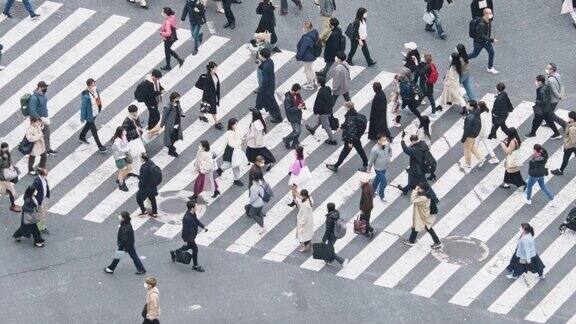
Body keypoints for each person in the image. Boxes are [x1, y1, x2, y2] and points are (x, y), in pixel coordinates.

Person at [326, 101, 368, 173]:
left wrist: (350, 142)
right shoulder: (353, 115)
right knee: (360, 151)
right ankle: (366, 165)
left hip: (351, 139)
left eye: (345, 107)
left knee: (344, 153)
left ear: (348, 108)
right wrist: (341, 127)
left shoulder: (350, 117)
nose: (344, 108)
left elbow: (352, 130)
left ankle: (335, 166)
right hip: (356, 138)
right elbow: (348, 124)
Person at [170, 200, 207, 272]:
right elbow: (185, 230)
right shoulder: (186, 218)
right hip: (189, 238)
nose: (197, 207)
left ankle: (175, 252)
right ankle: (195, 266)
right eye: (196, 206)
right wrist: (187, 240)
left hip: (192, 236)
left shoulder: (193, 213)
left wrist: (203, 227)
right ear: (192, 208)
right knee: (195, 250)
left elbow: (196, 221)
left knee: (188, 247)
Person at [403, 182, 442, 249]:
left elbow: (413, 200)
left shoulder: (424, 198)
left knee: (426, 227)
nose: (419, 189)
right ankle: (411, 240)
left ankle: (437, 242)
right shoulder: (426, 194)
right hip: (423, 214)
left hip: (422, 215)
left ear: (423, 189)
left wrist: (415, 190)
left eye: (420, 188)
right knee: (419, 226)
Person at [525, 75, 561, 139]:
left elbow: (543, 101)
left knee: (535, 122)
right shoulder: (546, 86)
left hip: (541, 110)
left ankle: (532, 133)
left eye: (537, 81)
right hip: (547, 109)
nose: (535, 82)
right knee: (550, 121)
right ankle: (557, 133)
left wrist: (537, 102)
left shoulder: (541, 90)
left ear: (540, 82)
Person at [306, 76, 336, 145]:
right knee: (320, 120)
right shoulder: (328, 88)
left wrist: (315, 111)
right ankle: (313, 129)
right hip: (328, 109)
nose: (316, 82)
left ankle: (332, 140)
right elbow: (330, 98)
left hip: (323, 112)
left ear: (319, 83)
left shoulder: (320, 92)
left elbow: (318, 103)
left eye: (317, 81)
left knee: (326, 126)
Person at [254, 48, 283, 123]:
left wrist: (262, 88)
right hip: (269, 85)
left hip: (267, 87)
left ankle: (278, 117)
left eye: (260, 54)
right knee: (260, 97)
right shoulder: (269, 61)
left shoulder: (266, 66)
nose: (258, 55)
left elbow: (266, 80)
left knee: (271, 103)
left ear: (262, 56)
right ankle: (257, 108)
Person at [79, 78, 107, 153]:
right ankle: (100, 147)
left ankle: (81, 136)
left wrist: (99, 108)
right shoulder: (86, 96)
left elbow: (98, 100)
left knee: (88, 125)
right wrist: (82, 117)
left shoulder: (96, 91)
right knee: (94, 130)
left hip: (95, 113)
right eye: (93, 85)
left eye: (94, 84)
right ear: (89, 86)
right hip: (89, 116)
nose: (94, 86)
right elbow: (83, 107)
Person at [467, 8, 498, 74]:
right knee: (474, 54)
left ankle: (490, 67)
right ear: (485, 14)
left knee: (491, 52)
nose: (491, 15)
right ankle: (461, 57)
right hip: (479, 42)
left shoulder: (488, 20)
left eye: (491, 13)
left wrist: (489, 39)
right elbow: (481, 36)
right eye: (490, 13)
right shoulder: (481, 24)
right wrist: (492, 40)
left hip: (486, 41)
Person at [217, 118, 247, 186]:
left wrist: (240, 139)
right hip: (231, 152)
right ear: (232, 125)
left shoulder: (234, 131)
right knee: (228, 165)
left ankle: (236, 179)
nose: (237, 125)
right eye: (236, 124)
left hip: (235, 151)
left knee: (235, 166)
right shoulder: (230, 134)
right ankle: (218, 172)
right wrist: (240, 141)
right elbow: (232, 144)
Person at [29, 81, 56, 156]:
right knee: (34, 135)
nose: (46, 88)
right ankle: (25, 146)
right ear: (40, 87)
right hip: (37, 120)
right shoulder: (34, 98)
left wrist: (46, 115)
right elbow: (32, 110)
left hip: (44, 118)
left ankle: (48, 149)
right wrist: (40, 119)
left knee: (47, 133)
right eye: (44, 87)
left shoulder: (43, 94)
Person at [195, 62, 222, 129]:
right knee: (213, 110)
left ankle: (201, 116)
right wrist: (208, 95)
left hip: (214, 94)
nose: (216, 69)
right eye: (215, 68)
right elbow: (203, 88)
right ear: (211, 69)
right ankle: (216, 123)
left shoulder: (215, 75)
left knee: (204, 107)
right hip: (209, 97)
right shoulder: (207, 78)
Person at [460, 101, 486, 170]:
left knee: (466, 149)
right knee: (471, 147)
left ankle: (468, 165)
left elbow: (467, 129)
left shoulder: (470, 116)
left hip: (470, 135)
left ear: (471, 107)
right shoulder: (476, 112)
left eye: (468, 104)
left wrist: (463, 139)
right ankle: (481, 158)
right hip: (474, 134)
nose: (466, 105)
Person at [122, 105, 146, 176]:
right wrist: (136, 131)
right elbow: (125, 133)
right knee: (132, 156)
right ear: (131, 112)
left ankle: (135, 169)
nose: (137, 113)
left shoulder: (135, 117)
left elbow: (138, 125)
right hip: (131, 141)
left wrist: (140, 129)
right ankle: (130, 171)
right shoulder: (127, 121)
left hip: (137, 139)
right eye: (135, 112)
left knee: (138, 154)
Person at [296, 21, 319, 91]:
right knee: (310, 68)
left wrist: (298, 57)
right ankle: (314, 79)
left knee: (307, 71)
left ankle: (310, 85)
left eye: (304, 27)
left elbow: (302, 49)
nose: (303, 29)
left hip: (308, 56)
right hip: (313, 54)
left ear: (307, 28)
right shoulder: (315, 32)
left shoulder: (306, 38)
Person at [160, 92, 185, 157]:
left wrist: (182, 114)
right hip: (170, 125)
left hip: (177, 123)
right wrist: (162, 124)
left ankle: (170, 146)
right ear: (173, 98)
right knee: (171, 137)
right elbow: (164, 116)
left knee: (175, 136)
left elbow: (180, 109)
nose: (178, 99)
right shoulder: (168, 106)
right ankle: (171, 150)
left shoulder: (177, 103)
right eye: (177, 98)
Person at [160, 7, 185, 71]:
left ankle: (177, 61)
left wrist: (162, 33)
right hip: (173, 35)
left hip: (169, 38)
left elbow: (168, 33)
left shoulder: (167, 22)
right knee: (167, 50)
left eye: (162, 12)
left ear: (166, 14)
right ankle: (172, 63)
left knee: (167, 50)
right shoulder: (172, 17)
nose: (161, 13)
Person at [368, 134, 391, 202]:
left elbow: (390, 150)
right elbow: (371, 160)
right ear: (379, 141)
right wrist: (368, 169)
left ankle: (372, 192)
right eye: (383, 140)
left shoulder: (387, 144)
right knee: (384, 182)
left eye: (385, 140)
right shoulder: (374, 150)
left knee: (377, 180)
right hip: (378, 168)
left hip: (385, 166)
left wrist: (389, 156)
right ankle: (381, 195)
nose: (385, 141)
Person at [416, 52, 440, 119]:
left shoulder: (426, 67)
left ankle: (413, 108)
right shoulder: (430, 65)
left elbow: (419, 73)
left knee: (422, 96)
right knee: (430, 97)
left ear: (425, 59)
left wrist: (416, 64)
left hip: (425, 85)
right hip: (429, 84)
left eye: (422, 57)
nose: (421, 58)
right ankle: (433, 112)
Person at [552, 111, 576, 176]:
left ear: (572, 119)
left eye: (569, 117)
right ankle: (561, 170)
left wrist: (567, 146)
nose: (568, 118)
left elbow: (574, 141)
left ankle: (560, 171)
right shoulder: (571, 124)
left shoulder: (572, 129)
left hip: (570, 146)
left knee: (565, 159)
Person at [545, 63, 567, 129]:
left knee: (550, 114)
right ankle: (549, 123)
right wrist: (562, 94)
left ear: (552, 70)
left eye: (548, 68)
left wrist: (560, 97)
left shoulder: (550, 80)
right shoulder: (558, 75)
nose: (546, 69)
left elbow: (554, 91)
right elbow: (561, 85)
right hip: (557, 98)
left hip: (552, 99)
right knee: (549, 112)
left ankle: (564, 124)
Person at [283, 84, 305, 149]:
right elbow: (288, 110)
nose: (299, 93)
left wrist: (302, 105)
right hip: (293, 117)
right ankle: (286, 139)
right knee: (298, 131)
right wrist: (297, 108)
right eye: (298, 91)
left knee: (297, 130)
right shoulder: (288, 99)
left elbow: (300, 100)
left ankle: (294, 144)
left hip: (298, 115)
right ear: (293, 90)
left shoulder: (297, 94)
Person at [136, 154, 159, 218]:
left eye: (140, 158)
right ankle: (155, 212)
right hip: (153, 185)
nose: (140, 159)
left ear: (143, 159)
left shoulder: (144, 167)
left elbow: (143, 179)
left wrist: (140, 186)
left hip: (146, 187)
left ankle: (143, 210)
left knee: (139, 198)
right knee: (152, 198)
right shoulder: (151, 163)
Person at [0, 143, 21, 212]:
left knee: (10, 191)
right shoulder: (1, 158)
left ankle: (13, 205)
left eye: (8, 149)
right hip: (2, 178)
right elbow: (5, 165)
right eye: (6, 149)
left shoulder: (7, 154)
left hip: (4, 177)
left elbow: (10, 163)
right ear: (2, 149)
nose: (7, 150)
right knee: (10, 191)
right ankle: (13, 206)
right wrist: (6, 158)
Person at [292, 187, 313, 252]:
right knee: (307, 234)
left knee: (303, 235)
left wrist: (301, 223)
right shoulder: (310, 199)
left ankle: (305, 247)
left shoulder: (304, 205)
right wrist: (296, 193)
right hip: (309, 220)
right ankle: (308, 245)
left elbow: (304, 216)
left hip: (304, 222)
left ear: (304, 196)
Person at [111, 126, 133, 192]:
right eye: (123, 131)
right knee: (121, 171)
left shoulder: (124, 137)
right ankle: (121, 184)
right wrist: (127, 149)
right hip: (119, 157)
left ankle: (120, 178)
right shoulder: (117, 142)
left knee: (129, 167)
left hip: (125, 155)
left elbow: (126, 144)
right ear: (120, 132)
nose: (125, 132)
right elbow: (119, 150)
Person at [246, 167, 267, 234]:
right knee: (259, 213)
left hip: (255, 204)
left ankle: (262, 226)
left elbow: (253, 198)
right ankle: (262, 224)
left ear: (252, 176)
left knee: (252, 214)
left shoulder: (253, 187)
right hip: (261, 202)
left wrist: (251, 202)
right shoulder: (261, 183)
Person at [359, 172, 375, 236]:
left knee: (363, 220)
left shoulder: (365, 190)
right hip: (370, 206)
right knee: (366, 219)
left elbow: (365, 201)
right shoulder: (370, 186)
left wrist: (363, 210)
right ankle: (366, 231)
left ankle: (371, 230)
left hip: (366, 208)